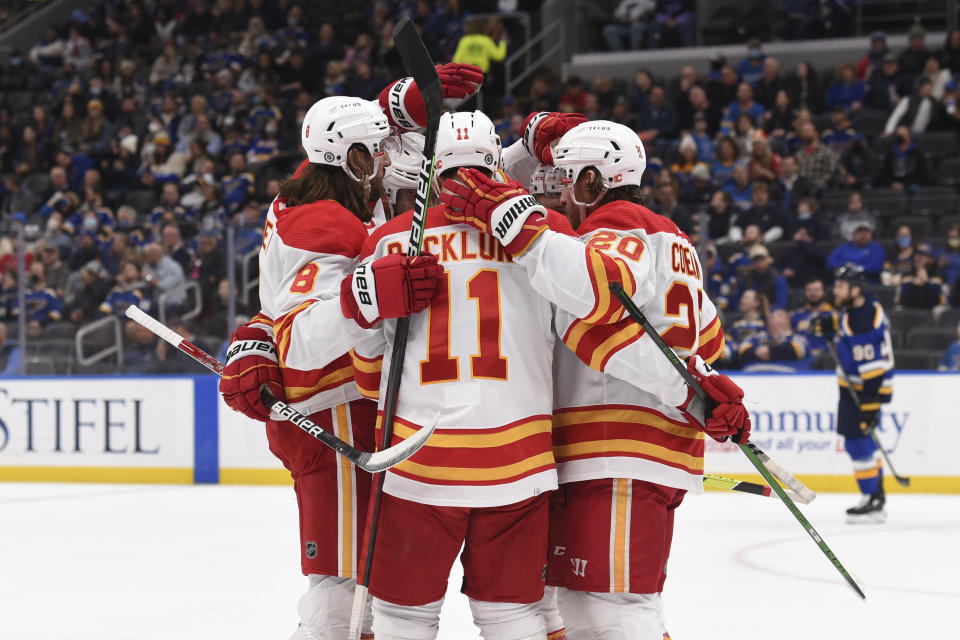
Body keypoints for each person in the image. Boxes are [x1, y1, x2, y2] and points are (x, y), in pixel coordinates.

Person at [441, 119, 750, 640]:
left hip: (621, 445)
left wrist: (514, 220)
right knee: (589, 611)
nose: (558, 194)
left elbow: (598, 293)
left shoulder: (616, 226)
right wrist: (696, 383)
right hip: (633, 449)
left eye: (565, 180)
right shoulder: (675, 240)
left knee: (616, 613)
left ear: (591, 181)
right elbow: (710, 337)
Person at [350, 110, 576, 640]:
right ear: (497, 163)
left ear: (429, 169)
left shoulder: (389, 242)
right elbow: (580, 338)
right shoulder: (546, 235)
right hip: (521, 461)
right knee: (515, 617)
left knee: (403, 618)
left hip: (416, 461)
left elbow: (366, 365)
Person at [813, 265, 894, 523]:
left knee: (856, 443)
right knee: (863, 442)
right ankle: (876, 495)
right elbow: (849, 332)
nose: (834, 290)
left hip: (864, 389)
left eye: (840, 286)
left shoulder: (863, 320)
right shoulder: (861, 309)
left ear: (855, 290)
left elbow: (872, 368)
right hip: (859, 386)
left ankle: (872, 502)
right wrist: (832, 324)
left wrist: (869, 406)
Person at [790, 278, 833, 355]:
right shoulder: (796, 316)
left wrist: (822, 350)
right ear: (804, 293)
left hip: (824, 357)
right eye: (809, 290)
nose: (813, 294)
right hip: (799, 356)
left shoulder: (832, 316)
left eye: (817, 290)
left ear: (824, 293)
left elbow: (837, 340)